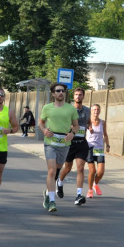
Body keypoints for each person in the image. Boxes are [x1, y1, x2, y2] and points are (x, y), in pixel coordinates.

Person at [38, 83, 78, 213]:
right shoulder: (47, 108)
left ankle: (47, 193)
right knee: (51, 171)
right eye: (58, 91)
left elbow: (76, 126)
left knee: (57, 171)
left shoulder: (71, 109)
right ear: (53, 94)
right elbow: (41, 122)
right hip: (50, 142)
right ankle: (52, 201)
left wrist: (73, 134)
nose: (61, 93)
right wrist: (44, 130)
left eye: (63, 91)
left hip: (64, 144)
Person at [57, 86, 90, 205]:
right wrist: (72, 128)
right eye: (76, 95)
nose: (78, 97)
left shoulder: (87, 110)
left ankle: (79, 195)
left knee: (80, 168)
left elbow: (88, 122)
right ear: (73, 96)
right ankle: (59, 182)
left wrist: (89, 127)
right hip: (70, 142)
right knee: (67, 168)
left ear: (83, 96)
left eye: (80, 95)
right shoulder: (69, 110)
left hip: (81, 142)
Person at [85, 103, 110, 198]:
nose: (96, 111)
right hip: (90, 148)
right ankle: (90, 190)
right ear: (91, 111)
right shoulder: (87, 122)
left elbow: (105, 134)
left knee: (101, 172)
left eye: (97, 110)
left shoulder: (102, 122)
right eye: (94, 109)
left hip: (99, 148)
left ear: (100, 111)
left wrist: (107, 145)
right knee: (92, 170)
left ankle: (95, 184)